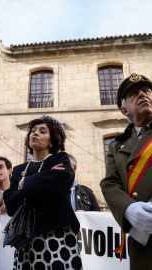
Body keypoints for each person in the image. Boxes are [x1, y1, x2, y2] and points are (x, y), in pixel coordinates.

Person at [3, 115, 82, 270]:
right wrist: (43, 180)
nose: (35, 133)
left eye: (42, 131)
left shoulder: (60, 159)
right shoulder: (19, 169)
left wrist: (23, 184)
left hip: (57, 234)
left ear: (52, 141)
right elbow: (10, 203)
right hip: (25, 237)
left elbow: (60, 181)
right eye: (33, 130)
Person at [100, 73, 152, 270]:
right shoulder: (117, 146)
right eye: (134, 94)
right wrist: (128, 209)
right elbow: (110, 183)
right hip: (142, 236)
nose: (143, 95)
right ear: (124, 110)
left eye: (147, 91)